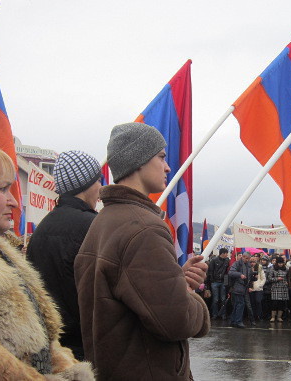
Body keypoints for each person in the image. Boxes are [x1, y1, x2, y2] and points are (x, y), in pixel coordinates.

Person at [74, 122, 210, 380]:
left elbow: (128, 296)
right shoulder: (144, 229)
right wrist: (195, 305)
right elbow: (175, 319)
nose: (168, 167)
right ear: (138, 161)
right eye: (161, 157)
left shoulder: (104, 221)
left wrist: (175, 279)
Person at [0, 142, 94, 380]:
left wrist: (68, 371)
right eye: (2, 189)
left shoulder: (1, 250)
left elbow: (44, 340)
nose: (15, 202)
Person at [27, 150, 102, 360]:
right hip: (87, 348)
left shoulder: (43, 228)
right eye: (98, 180)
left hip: (53, 349)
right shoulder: (91, 226)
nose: (100, 187)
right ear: (85, 184)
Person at [228, 251, 253, 328]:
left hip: (244, 287)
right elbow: (231, 272)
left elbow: (249, 276)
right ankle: (238, 321)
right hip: (237, 286)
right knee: (240, 304)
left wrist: (254, 278)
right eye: (246, 258)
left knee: (237, 304)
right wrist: (240, 275)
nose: (247, 260)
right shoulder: (237, 263)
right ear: (243, 257)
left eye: (249, 259)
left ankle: (233, 320)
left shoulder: (248, 265)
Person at [207, 248, 230, 320]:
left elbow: (226, 272)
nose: (227, 255)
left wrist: (226, 283)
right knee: (215, 299)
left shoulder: (227, 261)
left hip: (223, 282)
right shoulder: (214, 260)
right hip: (215, 282)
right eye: (226, 253)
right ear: (222, 253)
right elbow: (210, 271)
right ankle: (215, 314)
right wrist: (212, 281)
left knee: (223, 299)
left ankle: (223, 314)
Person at [269, 256, 289, 322]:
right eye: (279, 263)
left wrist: (287, 282)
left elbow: (288, 277)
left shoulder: (286, 269)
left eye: (282, 263)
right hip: (275, 288)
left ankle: (279, 317)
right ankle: (273, 317)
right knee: (274, 303)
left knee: (281, 303)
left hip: (283, 288)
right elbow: (269, 278)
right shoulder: (273, 268)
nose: (280, 264)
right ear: (277, 263)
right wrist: (277, 279)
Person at [249, 256, 266, 322]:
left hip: (258, 288)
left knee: (258, 301)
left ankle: (260, 315)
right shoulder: (248, 268)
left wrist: (260, 285)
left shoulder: (259, 268)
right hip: (251, 288)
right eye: (251, 262)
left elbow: (263, 278)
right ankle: (253, 316)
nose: (252, 263)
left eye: (254, 262)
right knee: (252, 302)